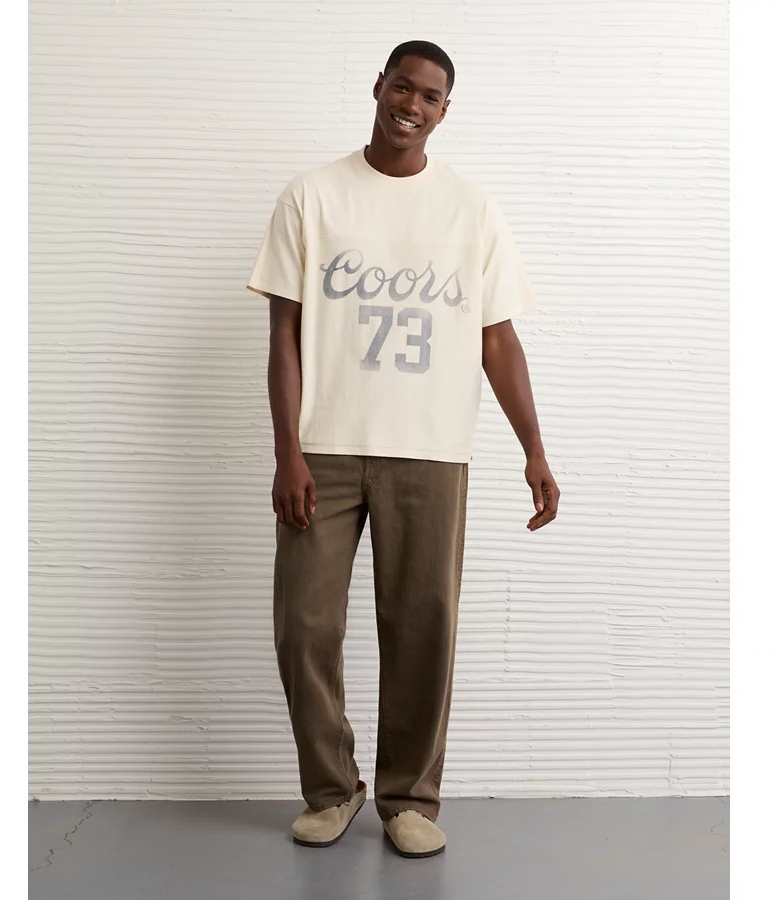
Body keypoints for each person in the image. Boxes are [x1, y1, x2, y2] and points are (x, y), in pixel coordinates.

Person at [246, 39, 560, 859]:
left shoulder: (471, 209)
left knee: (424, 627)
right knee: (303, 626)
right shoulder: (312, 197)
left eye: (429, 96)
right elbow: (283, 337)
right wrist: (287, 451)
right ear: (379, 87)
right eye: (402, 86)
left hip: (430, 448)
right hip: (325, 446)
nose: (411, 104)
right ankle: (331, 789)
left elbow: (498, 339)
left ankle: (409, 799)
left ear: (444, 111)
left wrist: (534, 448)